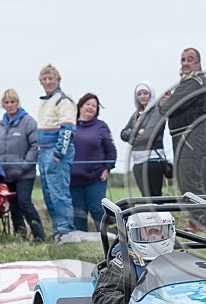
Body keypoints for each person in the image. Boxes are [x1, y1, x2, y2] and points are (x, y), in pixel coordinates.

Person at [159, 47, 206, 231]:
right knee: (187, 180)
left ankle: (198, 223)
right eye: (183, 59)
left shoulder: (194, 82)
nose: (185, 63)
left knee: (190, 181)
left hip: (190, 138)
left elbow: (168, 108)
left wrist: (164, 103)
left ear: (198, 63)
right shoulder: (187, 82)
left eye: (190, 59)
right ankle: (199, 221)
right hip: (184, 138)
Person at [90, 211, 176, 304]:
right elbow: (101, 300)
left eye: (157, 230)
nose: (153, 235)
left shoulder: (180, 260)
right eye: (147, 231)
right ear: (134, 233)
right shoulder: (123, 265)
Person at [0, 88, 46, 242]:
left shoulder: (28, 122)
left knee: (24, 202)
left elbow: (35, 145)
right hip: (5, 175)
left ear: (18, 103)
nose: (10, 105)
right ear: (3, 104)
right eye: (6, 102)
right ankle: (20, 236)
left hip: (24, 174)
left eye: (12, 102)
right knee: (13, 206)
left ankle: (39, 235)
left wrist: (25, 165)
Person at [36, 64, 79, 244]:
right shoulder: (44, 101)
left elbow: (68, 129)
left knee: (59, 193)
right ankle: (57, 231)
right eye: (44, 79)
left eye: (51, 78)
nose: (47, 82)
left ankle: (65, 231)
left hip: (55, 151)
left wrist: (58, 154)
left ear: (58, 80)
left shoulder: (63, 100)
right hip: (43, 151)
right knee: (48, 194)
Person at [71, 92, 117, 232]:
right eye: (88, 104)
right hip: (73, 179)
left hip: (96, 177)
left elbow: (111, 151)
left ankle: (106, 238)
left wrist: (108, 168)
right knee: (78, 213)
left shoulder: (101, 127)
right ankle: (82, 242)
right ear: (80, 106)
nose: (90, 108)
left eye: (94, 106)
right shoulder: (70, 125)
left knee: (97, 209)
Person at [120, 81, 168, 197]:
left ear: (151, 94)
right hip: (138, 162)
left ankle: (161, 216)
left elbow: (147, 136)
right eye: (139, 94)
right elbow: (122, 134)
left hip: (153, 161)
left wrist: (131, 137)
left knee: (155, 198)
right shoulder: (136, 115)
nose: (142, 96)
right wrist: (137, 131)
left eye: (145, 93)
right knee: (145, 198)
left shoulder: (157, 112)